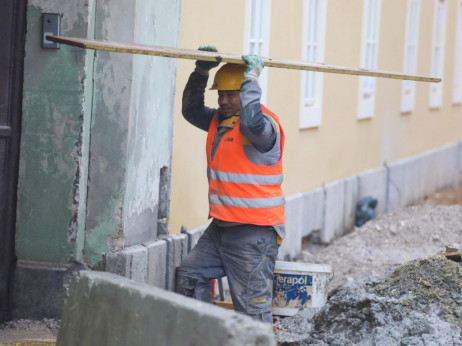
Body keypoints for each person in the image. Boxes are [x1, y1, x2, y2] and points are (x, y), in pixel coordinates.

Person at [177, 46, 285, 323]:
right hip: (223, 227)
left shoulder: (263, 128)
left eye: (231, 94)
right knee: (191, 274)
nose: (223, 100)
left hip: (254, 232)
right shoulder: (219, 120)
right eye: (220, 94)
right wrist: (201, 72)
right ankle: (207, 338)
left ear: (246, 95)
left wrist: (251, 80)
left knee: (251, 312)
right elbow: (190, 111)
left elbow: (252, 122)